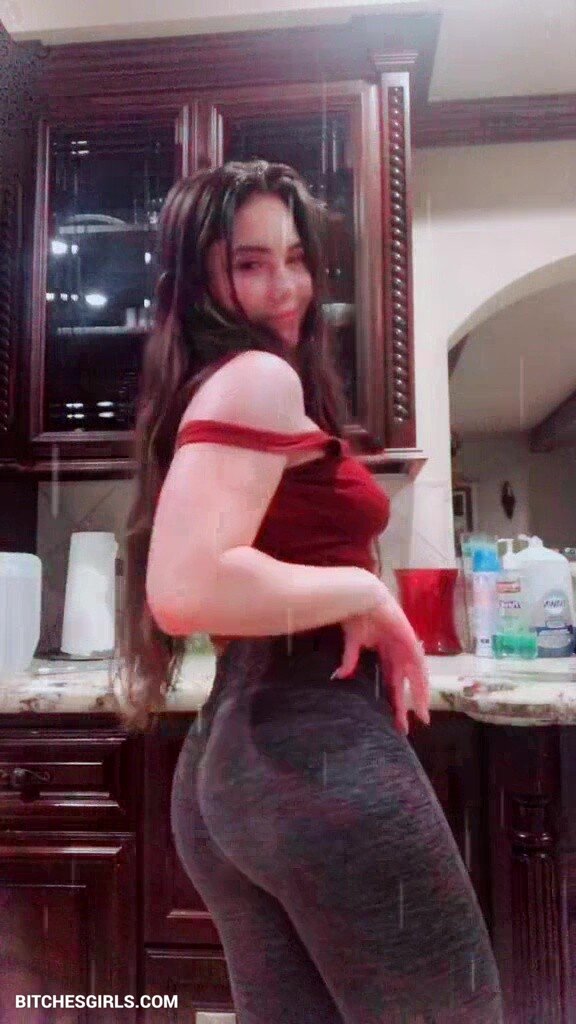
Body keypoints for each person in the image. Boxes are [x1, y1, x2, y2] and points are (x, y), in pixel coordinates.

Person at [118, 160, 503, 1023]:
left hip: (242, 758)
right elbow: (186, 589)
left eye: (296, 258)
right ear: (196, 278)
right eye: (249, 263)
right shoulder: (258, 377)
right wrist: (361, 593)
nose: (286, 287)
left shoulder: (213, 385)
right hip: (312, 752)